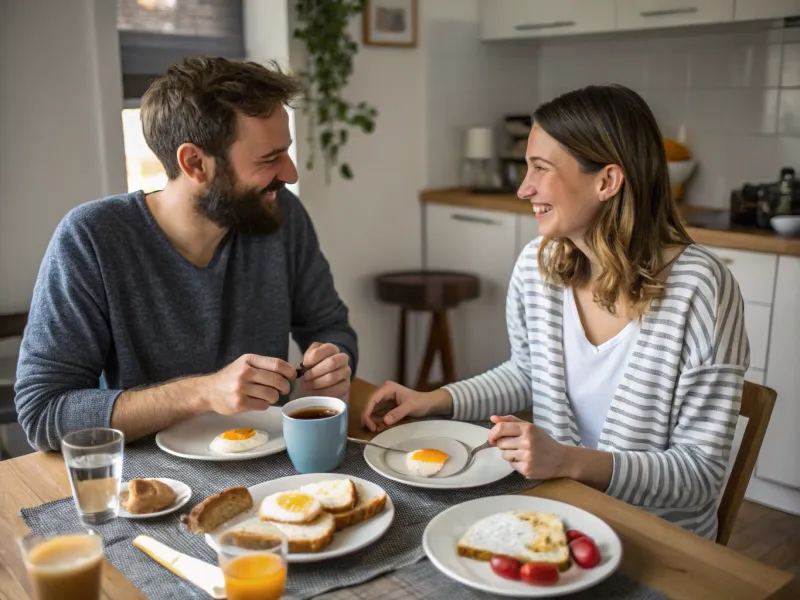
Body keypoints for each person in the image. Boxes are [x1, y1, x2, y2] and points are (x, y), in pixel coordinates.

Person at [362, 84, 748, 540]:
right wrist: (434, 400)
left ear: (606, 181)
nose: (525, 188)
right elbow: (526, 373)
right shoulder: (539, 264)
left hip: (657, 543)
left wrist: (567, 461)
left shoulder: (700, 288)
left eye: (540, 169)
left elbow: (700, 476)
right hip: (557, 517)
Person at [16, 57, 357, 452]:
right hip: (145, 484)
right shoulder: (92, 238)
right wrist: (202, 392)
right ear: (194, 162)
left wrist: (335, 360)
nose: (291, 173)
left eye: (285, 152)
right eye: (269, 159)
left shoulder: (281, 215)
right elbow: (42, 413)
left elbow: (331, 325)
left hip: (270, 460)